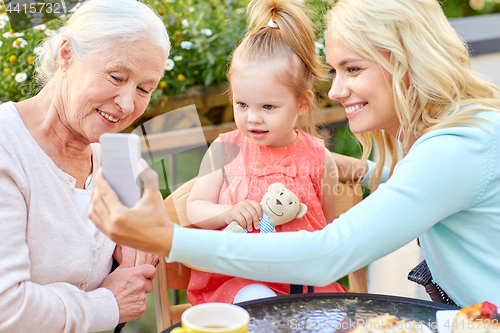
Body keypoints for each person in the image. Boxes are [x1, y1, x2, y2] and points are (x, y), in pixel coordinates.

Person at [88, 0, 500, 308]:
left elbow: (331, 252)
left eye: (352, 69)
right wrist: (370, 171)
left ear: (409, 62)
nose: (336, 92)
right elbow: (411, 186)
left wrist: (166, 238)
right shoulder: (462, 136)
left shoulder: (458, 148)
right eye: (335, 71)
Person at [0, 0, 169, 331]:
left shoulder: (116, 154)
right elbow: (6, 307)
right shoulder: (8, 148)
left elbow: (151, 232)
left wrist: (141, 237)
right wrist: (107, 305)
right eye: (116, 76)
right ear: (67, 55)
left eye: (144, 88)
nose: (127, 103)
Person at [183, 0, 346, 305]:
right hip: (240, 280)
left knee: (332, 320)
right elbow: (195, 206)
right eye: (242, 104)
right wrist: (228, 213)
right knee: (257, 300)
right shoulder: (225, 148)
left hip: (302, 283)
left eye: (268, 107)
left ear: (302, 103)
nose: (253, 118)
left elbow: (328, 227)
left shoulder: (319, 158)